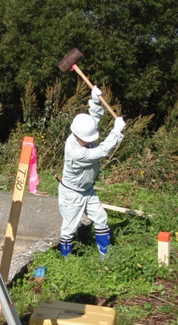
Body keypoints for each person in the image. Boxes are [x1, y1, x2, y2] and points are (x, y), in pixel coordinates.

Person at [58, 86, 125, 259]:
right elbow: (102, 151)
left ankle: (105, 256)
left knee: (101, 219)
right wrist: (116, 132)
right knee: (69, 228)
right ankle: (66, 261)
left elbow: (93, 121)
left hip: (88, 190)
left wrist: (95, 102)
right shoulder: (75, 151)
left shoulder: (83, 136)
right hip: (72, 193)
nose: (90, 142)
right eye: (87, 140)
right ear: (76, 135)